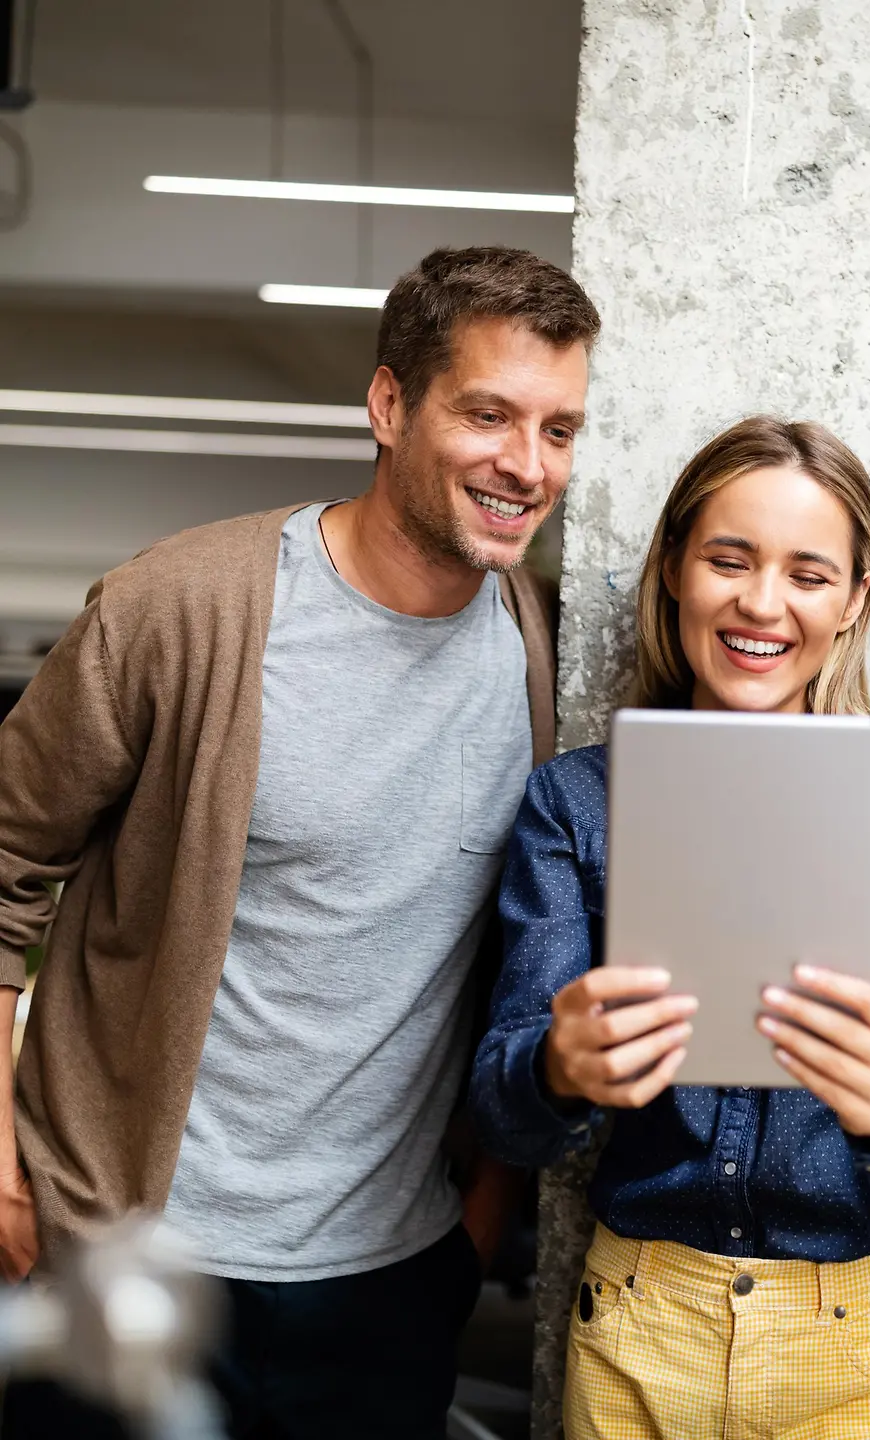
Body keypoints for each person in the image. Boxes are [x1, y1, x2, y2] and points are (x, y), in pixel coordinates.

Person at [0, 245, 599, 1438]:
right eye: (488, 414)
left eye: (560, 430)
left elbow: (510, 960)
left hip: (388, 1287)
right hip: (131, 1258)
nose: (527, 465)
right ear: (388, 405)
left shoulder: (535, 647)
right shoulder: (184, 608)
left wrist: (476, 1225)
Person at [471, 415, 870, 1440]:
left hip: (862, 1348)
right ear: (675, 567)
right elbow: (505, 1118)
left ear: (855, 600)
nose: (762, 602)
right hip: (641, 1325)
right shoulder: (575, 805)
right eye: (729, 559)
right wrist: (555, 1068)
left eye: (809, 574)